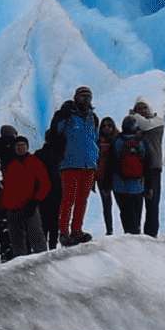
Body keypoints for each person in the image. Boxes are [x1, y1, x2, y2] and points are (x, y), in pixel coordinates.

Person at [56, 89, 100, 246]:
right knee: (69, 199)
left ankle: (76, 230)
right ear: (76, 98)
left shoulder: (92, 118)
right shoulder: (66, 115)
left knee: (81, 199)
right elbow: (56, 133)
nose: (86, 100)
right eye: (83, 97)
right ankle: (64, 232)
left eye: (88, 97)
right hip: (70, 163)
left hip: (88, 164)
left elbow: (95, 138)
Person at [120, 98, 165, 236]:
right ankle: (135, 232)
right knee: (136, 204)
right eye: (138, 108)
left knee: (152, 203)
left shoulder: (158, 122)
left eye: (143, 107)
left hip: (153, 168)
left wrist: (133, 115)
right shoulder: (136, 127)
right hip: (137, 171)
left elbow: (146, 125)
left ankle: (151, 234)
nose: (141, 111)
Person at [0, 132, 50, 255]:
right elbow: (7, 188)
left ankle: (44, 263)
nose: (20, 148)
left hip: (30, 206)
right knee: (17, 242)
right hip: (13, 209)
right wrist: (3, 206)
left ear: (27, 147)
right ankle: (20, 266)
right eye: (17, 146)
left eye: (22, 146)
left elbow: (45, 184)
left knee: (37, 238)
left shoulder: (34, 162)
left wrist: (35, 201)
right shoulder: (10, 164)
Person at [36, 105, 69, 252]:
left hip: (45, 192)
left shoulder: (39, 154)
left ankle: (46, 247)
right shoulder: (59, 153)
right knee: (54, 221)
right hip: (56, 190)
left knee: (45, 221)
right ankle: (52, 246)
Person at [95, 112, 122, 236]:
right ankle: (109, 231)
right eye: (104, 126)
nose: (107, 128)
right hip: (102, 177)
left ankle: (127, 228)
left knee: (122, 205)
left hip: (116, 177)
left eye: (109, 125)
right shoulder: (98, 141)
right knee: (107, 206)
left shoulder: (119, 139)